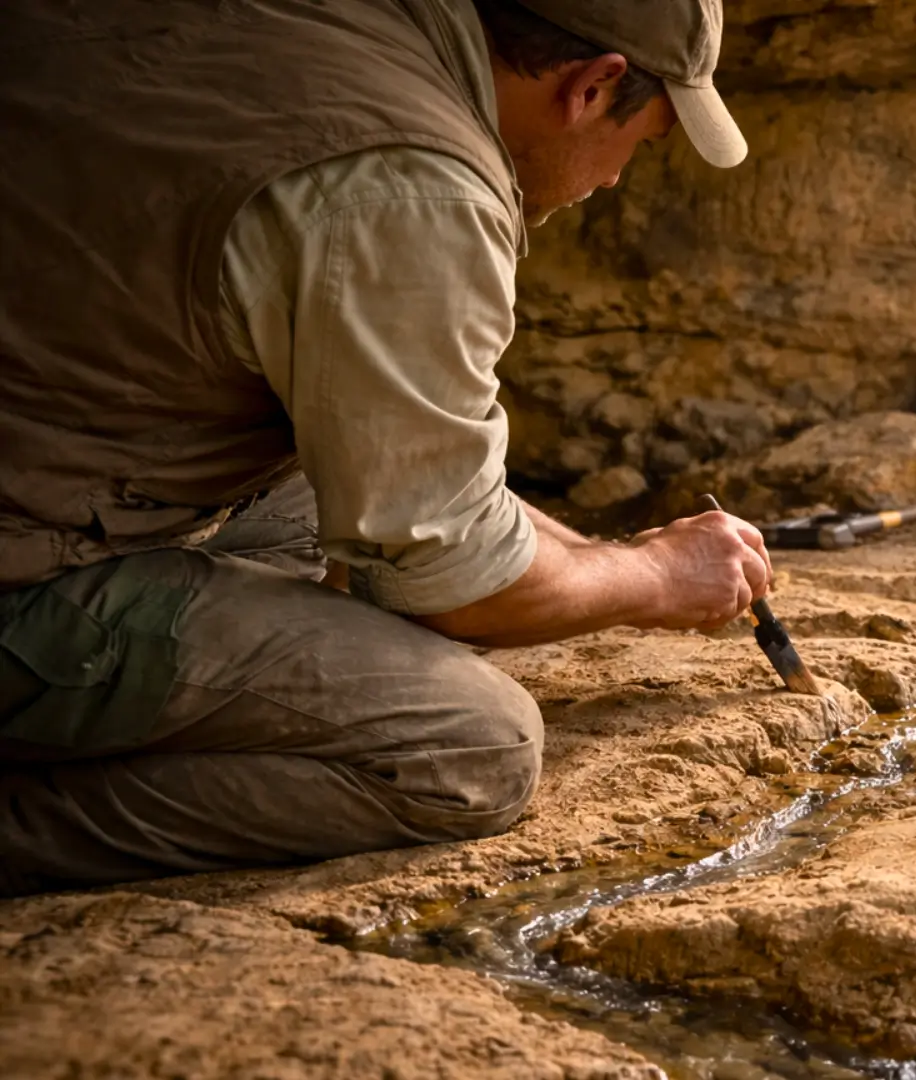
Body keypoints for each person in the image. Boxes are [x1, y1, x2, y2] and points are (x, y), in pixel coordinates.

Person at [0, 0, 769, 895]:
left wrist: (608, 555)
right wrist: (660, 581)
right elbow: (450, 580)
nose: (616, 177)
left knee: (316, 511)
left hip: (60, 453)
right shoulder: (414, 184)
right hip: (23, 565)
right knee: (471, 746)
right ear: (592, 87)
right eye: (645, 139)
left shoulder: (345, 28)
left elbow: (421, 501)